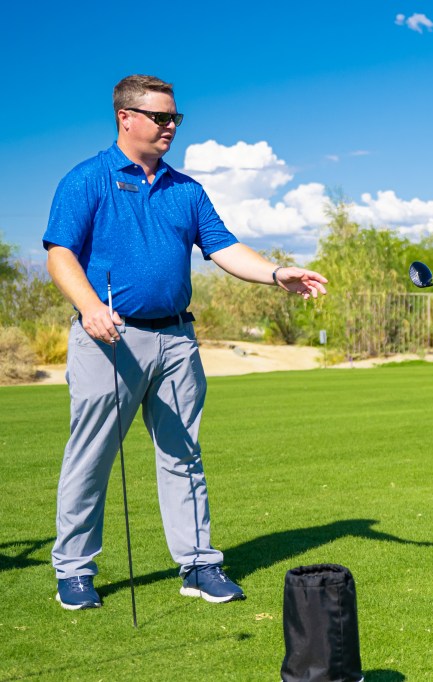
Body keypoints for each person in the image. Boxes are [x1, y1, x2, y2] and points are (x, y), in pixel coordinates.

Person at [44, 74, 328, 611]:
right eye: (161, 117)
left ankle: (199, 564)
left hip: (177, 340)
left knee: (184, 455)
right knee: (92, 456)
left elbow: (224, 248)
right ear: (126, 117)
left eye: (176, 118)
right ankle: (75, 571)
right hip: (110, 338)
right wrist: (88, 306)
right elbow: (60, 255)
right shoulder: (87, 179)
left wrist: (276, 273)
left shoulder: (186, 190)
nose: (171, 126)